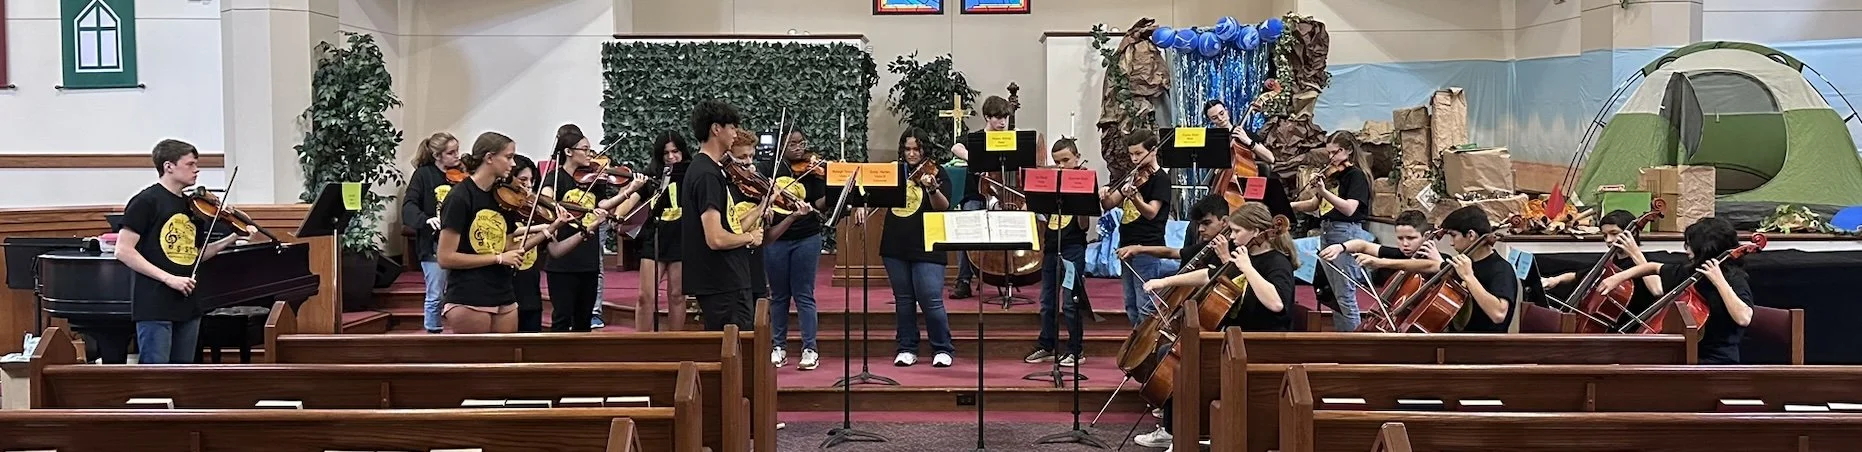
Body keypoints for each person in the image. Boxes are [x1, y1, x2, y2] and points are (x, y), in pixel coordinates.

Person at [1132, 202, 1297, 449]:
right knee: (1173, 353)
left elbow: (1276, 304)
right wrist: (1164, 280)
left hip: (1260, 345)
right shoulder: (1245, 256)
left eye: (1236, 231)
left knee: (1181, 360)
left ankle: (1184, 432)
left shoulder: (1276, 263)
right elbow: (1210, 275)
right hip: (1234, 341)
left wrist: (1248, 269)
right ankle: (1176, 430)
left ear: (1256, 231)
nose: (1231, 237)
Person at [116, 139, 242, 364]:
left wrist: (233, 237)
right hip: (155, 303)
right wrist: (169, 278)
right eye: (190, 164)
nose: (197, 169)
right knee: (157, 376)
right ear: (168, 166)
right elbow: (123, 251)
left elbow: (195, 255)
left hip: (188, 303)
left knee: (183, 375)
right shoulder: (146, 201)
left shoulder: (193, 206)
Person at [438, 132, 568, 334]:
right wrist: (498, 258)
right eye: (508, 157)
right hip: (469, 295)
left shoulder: (501, 197)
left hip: (504, 292)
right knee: (478, 363)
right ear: (489, 158)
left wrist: (549, 229)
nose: (513, 163)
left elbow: (510, 249)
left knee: (506, 360)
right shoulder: (460, 197)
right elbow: (446, 257)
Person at [1597, 217, 1753, 364]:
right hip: (1682, 355)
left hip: (1715, 360)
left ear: (1704, 247)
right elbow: (1653, 267)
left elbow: (1743, 318)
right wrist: (1617, 278)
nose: (1686, 250)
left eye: (1689, 244)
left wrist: (1719, 281)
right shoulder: (1693, 271)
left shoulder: (1734, 279)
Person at [539, 124, 646, 332]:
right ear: (568, 152)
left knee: (583, 319)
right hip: (563, 258)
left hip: (588, 256)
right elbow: (547, 201)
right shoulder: (555, 178)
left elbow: (602, 205)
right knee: (561, 317)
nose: (590, 154)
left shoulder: (594, 180)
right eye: (585, 149)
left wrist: (629, 190)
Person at [946, 95, 1047, 299]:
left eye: (1005, 118)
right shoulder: (976, 138)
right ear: (987, 117)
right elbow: (955, 147)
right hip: (977, 195)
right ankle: (963, 279)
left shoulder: (1012, 137)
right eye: (997, 118)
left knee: (1040, 217)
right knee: (968, 221)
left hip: (1010, 195)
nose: (1002, 122)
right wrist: (975, 158)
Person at [682, 100, 764, 331]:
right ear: (716, 129)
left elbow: (728, 225)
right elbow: (716, 238)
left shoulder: (706, 168)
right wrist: (750, 238)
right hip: (723, 282)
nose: (735, 133)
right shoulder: (707, 173)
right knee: (734, 352)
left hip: (721, 281)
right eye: (732, 127)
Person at [881, 127, 957, 368]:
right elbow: (873, 195)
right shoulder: (894, 171)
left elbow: (942, 207)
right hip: (895, 242)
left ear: (925, 149)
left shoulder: (937, 172)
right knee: (903, 300)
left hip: (928, 243)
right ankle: (906, 347)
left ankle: (942, 347)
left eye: (917, 149)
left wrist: (932, 188)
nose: (912, 154)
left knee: (930, 298)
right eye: (908, 149)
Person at [1291, 131, 1374, 331]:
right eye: (1328, 154)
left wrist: (1324, 191)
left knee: (1345, 294)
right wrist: (1290, 206)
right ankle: (1340, 338)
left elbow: (1349, 208)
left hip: (1346, 234)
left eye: (1334, 153)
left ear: (1348, 151)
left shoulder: (1357, 176)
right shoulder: (1335, 175)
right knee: (1333, 295)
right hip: (1328, 232)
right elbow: (1314, 205)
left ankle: (1354, 343)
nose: (1331, 159)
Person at [764, 129, 829, 370]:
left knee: (804, 294)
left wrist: (828, 189)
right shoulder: (769, 168)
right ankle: (778, 346)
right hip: (777, 238)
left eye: (801, 143)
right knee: (779, 295)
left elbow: (820, 205)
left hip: (806, 236)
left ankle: (809, 348)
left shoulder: (812, 170)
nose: (798, 148)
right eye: (792, 143)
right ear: (782, 145)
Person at [1024, 138, 1093, 367]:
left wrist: (1081, 200)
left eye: (1066, 160)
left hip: (1073, 248)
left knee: (1070, 302)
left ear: (1076, 157)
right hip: (1052, 247)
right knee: (1047, 301)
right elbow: (1043, 216)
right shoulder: (1052, 184)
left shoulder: (1083, 180)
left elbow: (1083, 226)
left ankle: (1076, 350)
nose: (1062, 166)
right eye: (1057, 162)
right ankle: (1047, 344)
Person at [1102, 129, 1173, 326]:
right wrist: (1105, 195)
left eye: (1138, 154)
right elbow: (1110, 204)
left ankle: (1146, 349)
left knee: (1145, 304)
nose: (1134, 159)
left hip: (1148, 247)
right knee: (1130, 303)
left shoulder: (1161, 179)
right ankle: (1136, 343)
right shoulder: (1133, 176)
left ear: (1153, 151)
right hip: (1126, 245)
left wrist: (1134, 197)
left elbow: (1152, 212)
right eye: (1131, 154)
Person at [400, 132, 461, 334]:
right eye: (451, 153)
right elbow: (409, 206)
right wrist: (426, 219)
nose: (457, 156)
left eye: (457, 151)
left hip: (460, 242)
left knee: (459, 291)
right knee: (435, 292)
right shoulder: (423, 175)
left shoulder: (461, 174)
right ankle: (433, 332)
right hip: (433, 243)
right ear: (437, 155)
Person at [1540, 210, 1660, 304]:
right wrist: (1554, 280)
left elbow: (1657, 290)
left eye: (1614, 233)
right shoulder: (1611, 261)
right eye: (1605, 235)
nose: (1608, 240)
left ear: (1632, 233)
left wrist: (1635, 253)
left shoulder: (1646, 260)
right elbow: (1579, 275)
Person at [638, 132, 691, 331]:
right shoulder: (652, 176)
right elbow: (634, 199)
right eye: (666, 153)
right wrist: (619, 213)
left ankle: (673, 344)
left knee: (677, 295)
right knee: (645, 296)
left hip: (681, 236)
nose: (671, 157)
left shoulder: (691, 173)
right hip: (656, 235)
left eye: (675, 151)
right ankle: (640, 344)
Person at [1436, 206, 1518, 333]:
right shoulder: (1467, 262)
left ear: (1471, 235)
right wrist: (1394, 263)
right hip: (1458, 341)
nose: (1451, 243)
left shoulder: (1501, 269)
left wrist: (1469, 277)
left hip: (1483, 346)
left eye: (1453, 235)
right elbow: (1431, 265)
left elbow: (1499, 314)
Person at [507, 154, 549, 333]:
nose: (529, 185)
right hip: (507, 282)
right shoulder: (502, 207)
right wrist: (540, 229)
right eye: (523, 180)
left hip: (530, 280)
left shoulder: (530, 208)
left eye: (532, 180)